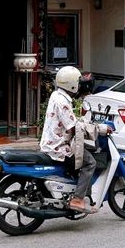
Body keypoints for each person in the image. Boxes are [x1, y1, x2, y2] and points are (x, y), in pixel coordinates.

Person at [39, 65, 97, 214]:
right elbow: (73, 129)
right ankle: (78, 199)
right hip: (59, 147)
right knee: (90, 162)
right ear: (71, 83)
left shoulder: (56, 95)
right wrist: (95, 129)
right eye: (77, 81)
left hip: (50, 142)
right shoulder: (63, 102)